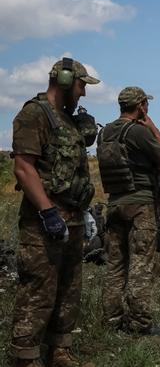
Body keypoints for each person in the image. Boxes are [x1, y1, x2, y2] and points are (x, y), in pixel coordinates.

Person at [9, 58, 100, 367]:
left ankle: (59, 351)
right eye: (81, 86)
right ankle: (26, 358)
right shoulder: (34, 115)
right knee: (38, 292)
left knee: (68, 290)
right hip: (43, 223)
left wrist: (83, 213)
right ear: (64, 81)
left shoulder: (67, 120)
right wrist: (48, 212)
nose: (83, 93)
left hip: (73, 218)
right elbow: (24, 167)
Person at [97, 86, 160, 336]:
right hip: (140, 205)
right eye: (146, 104)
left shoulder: (106, 132)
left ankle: (112, 322)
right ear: (140, 106)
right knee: (141, 265)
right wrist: (152, 125)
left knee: (115, 267)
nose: (147, 108)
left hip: (115, 204)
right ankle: (140, 325)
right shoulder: (138, 131)